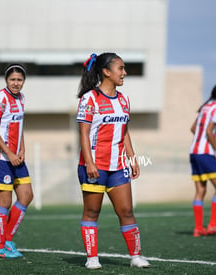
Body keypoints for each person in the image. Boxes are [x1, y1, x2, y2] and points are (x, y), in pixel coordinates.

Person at [76, 53, 150, 269]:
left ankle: (136, 256)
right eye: (121, 68)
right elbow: (84, 133)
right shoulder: (90, 98)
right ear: (106, 72)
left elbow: (125, 131)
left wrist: (132, 157)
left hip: (118, 167)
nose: (124, 73)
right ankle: (92, 258)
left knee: (126, 211)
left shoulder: (124, 99)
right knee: (92, 212)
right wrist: (89, 162)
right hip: (94, 167)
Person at [0, 64, 33, 258]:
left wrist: (21, 148)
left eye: (19, 80)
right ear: (6, 80)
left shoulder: (21, 98)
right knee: (4, 202)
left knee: (26, 196)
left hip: (16, 157)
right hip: (0, 157)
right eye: (13, 79)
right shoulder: (0, 98)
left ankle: (7, 240)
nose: (16, 83)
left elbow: (19, 126)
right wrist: (8, 152)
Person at [189, 83, 216, 237]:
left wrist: (200, 142)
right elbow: (209, 131)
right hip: (205, 153)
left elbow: (194, 129)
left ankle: (198, 228)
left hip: (194, 152)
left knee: (200, 190)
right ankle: (213, 224)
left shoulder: (205, 107)